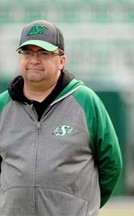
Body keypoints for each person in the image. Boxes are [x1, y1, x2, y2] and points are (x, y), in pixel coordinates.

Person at [0, 20, 122, 216]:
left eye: (44, 53)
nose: (34, 60)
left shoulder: (86, 101)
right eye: (27, 52)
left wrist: (85, 205)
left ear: (61, 60)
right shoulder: (2, 105)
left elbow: (111, 164)